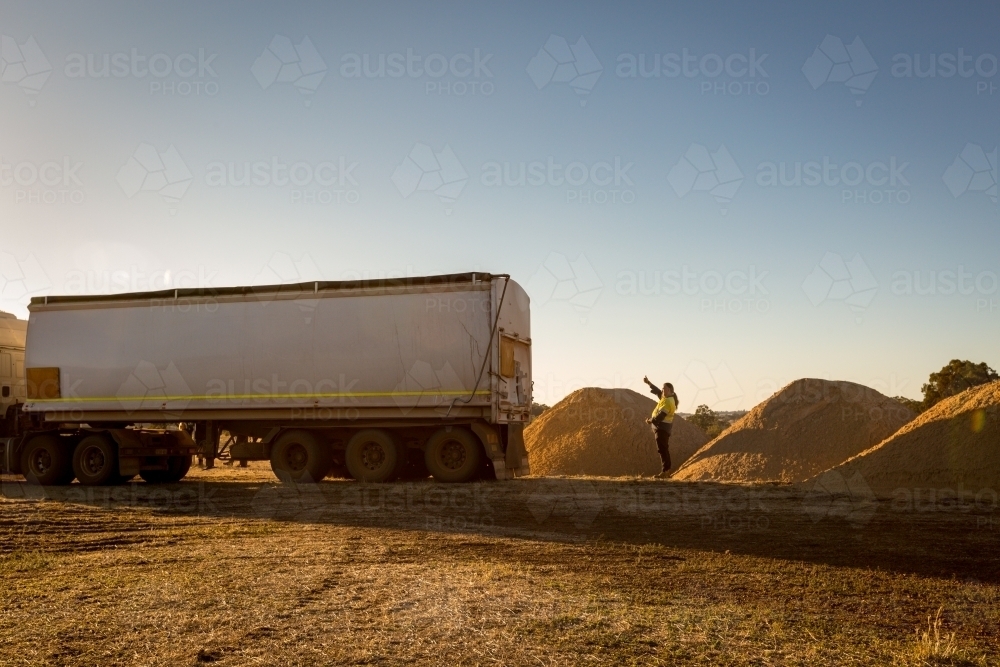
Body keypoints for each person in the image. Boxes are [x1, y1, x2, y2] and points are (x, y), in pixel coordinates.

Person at [643, 375, 678, 478]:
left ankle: (665, 471)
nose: (662, 390)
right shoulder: (666, 398)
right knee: (664, 449)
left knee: (662, 449)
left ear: (670, 390)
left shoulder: (668, 401)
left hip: (662, 429)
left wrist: (650, 421)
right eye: (662, 388)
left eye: (664, 388)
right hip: (662, 428)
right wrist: (649, 383)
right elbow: (658, 391)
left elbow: (660, 416)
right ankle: (667, 471)